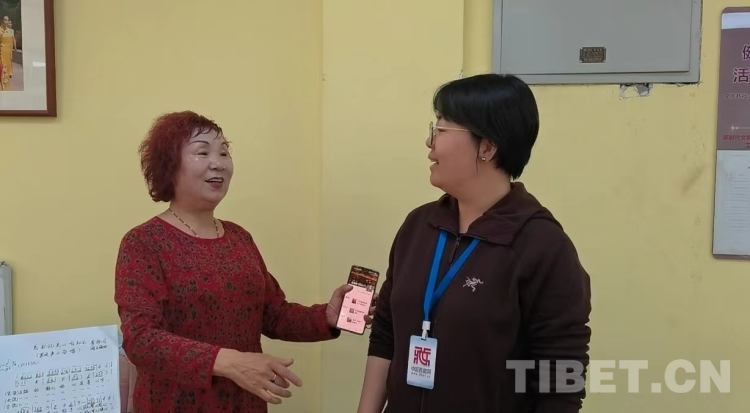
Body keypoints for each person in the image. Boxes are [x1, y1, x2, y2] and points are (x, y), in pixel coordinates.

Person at [357, 73, 592, 413]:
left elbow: (559, 381)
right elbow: (386, 334)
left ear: (487, 147)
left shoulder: (541, 244)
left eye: (441, 129)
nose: (429, 142)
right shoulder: (418, 226)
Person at [114, 111, 376, 413]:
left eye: (224, 152)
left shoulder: (239, 237)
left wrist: (326, 316)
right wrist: (229, 362)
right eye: (202, 152)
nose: (218, 163)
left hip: (246, 404)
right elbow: (141, 340)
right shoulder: (144, 242)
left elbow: (273, 315)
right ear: (169, 165)